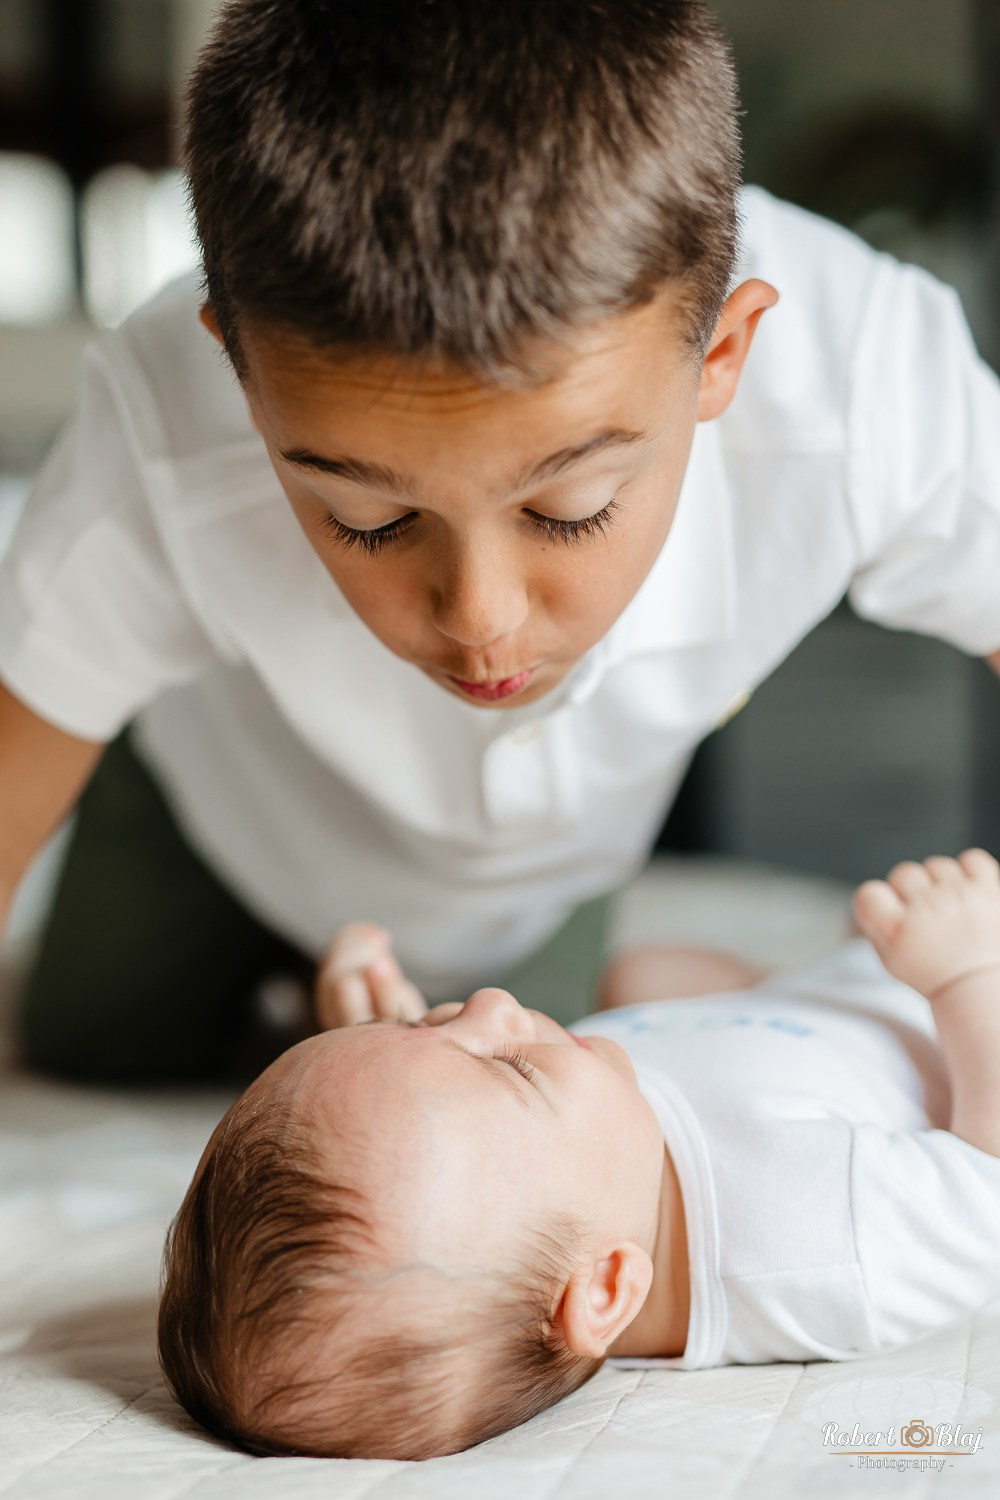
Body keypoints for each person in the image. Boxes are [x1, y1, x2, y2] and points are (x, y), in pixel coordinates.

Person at [2, 0, 1000, 1086]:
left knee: (495, 1092)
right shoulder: (155, 425)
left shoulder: (868, 383)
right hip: (222, 799)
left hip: (537, 873)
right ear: (239, 378)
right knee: (98, 1042)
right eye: (370, 519)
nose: (481, 619)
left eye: (569, 509)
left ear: (722, 357)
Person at [156, 847, 1000, 1459]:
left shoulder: (575, 1174)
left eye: (424, 1025)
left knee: (639, 975)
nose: (489, 1001)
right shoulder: (815, 1246)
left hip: (806, 1007)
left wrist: (384, 1038)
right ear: (604, 1288)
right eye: (512, 1069)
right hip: (960, 1007)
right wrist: (968, 972)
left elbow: (436, 1137)